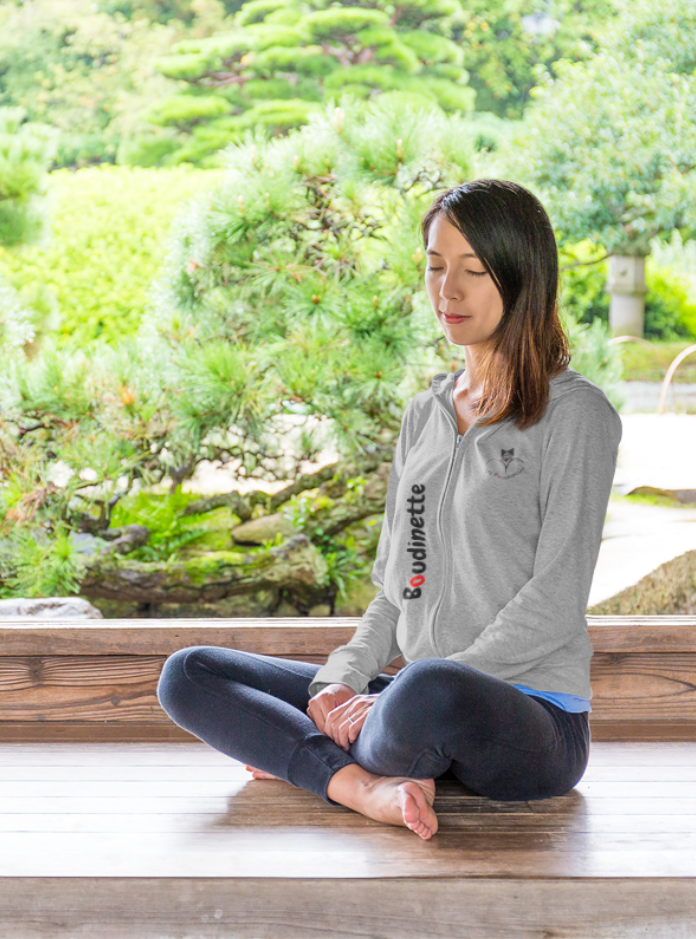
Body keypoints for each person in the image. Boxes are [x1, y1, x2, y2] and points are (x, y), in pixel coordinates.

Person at [156, 178, 622, 842]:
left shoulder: (574, 414)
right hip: (403, 700)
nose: (446, 291)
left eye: (472, 270)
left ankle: (313, 752)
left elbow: (556, 597)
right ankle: (363, 784)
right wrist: (338, 685)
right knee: (190, 673)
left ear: (522, 275)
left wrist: (384, 698)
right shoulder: (425, 415)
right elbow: (398, 588)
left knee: (428, 686)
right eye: (435, 266)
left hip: (527, 714)